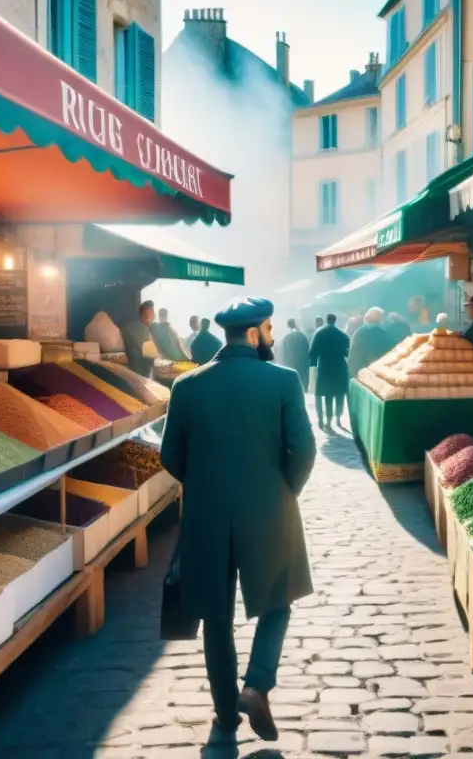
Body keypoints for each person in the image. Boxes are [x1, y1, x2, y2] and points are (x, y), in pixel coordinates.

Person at [160, 297, 316, 742]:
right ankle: (257, 684)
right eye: (268, 329)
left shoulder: (187, 386)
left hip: (206, 517)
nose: (271, 336)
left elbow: (171, 456)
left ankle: (226, 715)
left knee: (215, 618)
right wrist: (283, 491)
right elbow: (303, 450)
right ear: (253, 334)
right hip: (268, 511)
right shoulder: (284, 380)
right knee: (277, 603)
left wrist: (207, 483)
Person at [308, 313, 350, 431]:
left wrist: (313, 365)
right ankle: (337, 419)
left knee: (326, 395)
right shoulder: (342, 335)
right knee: (338, 394)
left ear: (327, 320)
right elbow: (348, 352)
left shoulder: (319, 333)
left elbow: (311, 352)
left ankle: (324, 419)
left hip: (324, 367)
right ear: (335, 321)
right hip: (339, 367)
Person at [348, 307, 395, 376]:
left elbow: (353, 355)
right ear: (380, 319)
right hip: (372, 373)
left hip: (357, 372)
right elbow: (391, 351)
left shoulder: (359, 332)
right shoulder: (381, 333)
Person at [120, 300, 158, 377]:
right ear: (143, 316)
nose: (153, 315)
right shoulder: (135, 327)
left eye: (153, 313)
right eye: (151, 313)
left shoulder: (146, 327)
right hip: (140, 373)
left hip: (144, 372)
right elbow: (147, 351)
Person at [280, 318, 310, 391]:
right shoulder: (302, 336)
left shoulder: (286, 338)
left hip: (290, 364)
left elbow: (284, 353)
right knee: (303, 383)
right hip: (302, 363)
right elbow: (308, 349)